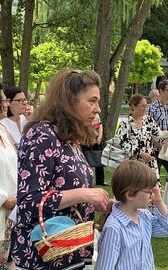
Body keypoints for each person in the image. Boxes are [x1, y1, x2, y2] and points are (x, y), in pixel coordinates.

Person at [10, 69, 109, 270]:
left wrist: (96, 202)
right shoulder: (42, 136)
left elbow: (67, 194)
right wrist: (84, 194)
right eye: (92, 101)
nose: (97, 109)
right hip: (42, 259)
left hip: (69, 255)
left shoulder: (68, 138)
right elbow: (29, 203)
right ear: (69, 101)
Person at [95, 160, 168, 270]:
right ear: (130, 195)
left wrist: (159, 202)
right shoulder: (114, 228)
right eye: (149, 191)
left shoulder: (144, 216)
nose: (152, 195)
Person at [119, 94, 168, 181]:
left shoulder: (148, 120)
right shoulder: (126, 122)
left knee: (155, 188)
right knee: (138, 189)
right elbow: (124, 143)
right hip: (134, 163)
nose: (145, 108)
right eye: (143, 106)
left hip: (150, 161)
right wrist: (141, 154)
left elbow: (159, 134)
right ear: (134, 106)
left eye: (146, 106)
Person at [0, 84, 18, 270]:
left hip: (11, 213)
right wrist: (3, 198)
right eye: (4, 100)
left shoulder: (3, 131)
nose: (6, 104)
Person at [147, 80, 168, 174]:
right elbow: (147, 130)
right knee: (154, 178)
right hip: (155, 149)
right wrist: (159, 145)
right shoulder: (152, 108)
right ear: (161, 91)